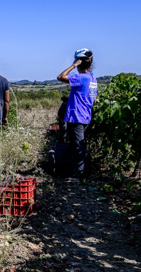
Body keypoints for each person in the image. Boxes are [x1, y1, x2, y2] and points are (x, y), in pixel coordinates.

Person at [57, 48, 97, 177]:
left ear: (79, 62)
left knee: (78, 147)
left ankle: (79, 174)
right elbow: (93, 98)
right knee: (78, 144)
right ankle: (78, 172)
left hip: (76, 116)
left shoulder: (81, 78)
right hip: (85, 115)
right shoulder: (92, 79)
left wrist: (73, 66)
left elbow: (60, 77)